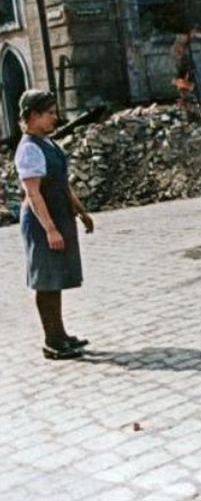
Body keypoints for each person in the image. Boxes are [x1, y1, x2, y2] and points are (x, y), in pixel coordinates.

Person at [14, 90, 94, 360]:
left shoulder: (48, 144)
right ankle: (51, 341)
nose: (54, 118)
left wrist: (81, 212)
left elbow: (62, 183)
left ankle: (60, 334)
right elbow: (34, 194)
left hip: (58, 215)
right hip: (41, 222)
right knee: (45, 281)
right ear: (33, 116)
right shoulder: (28, 148)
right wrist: (50, 229)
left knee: (55, 278)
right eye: (49, 113)